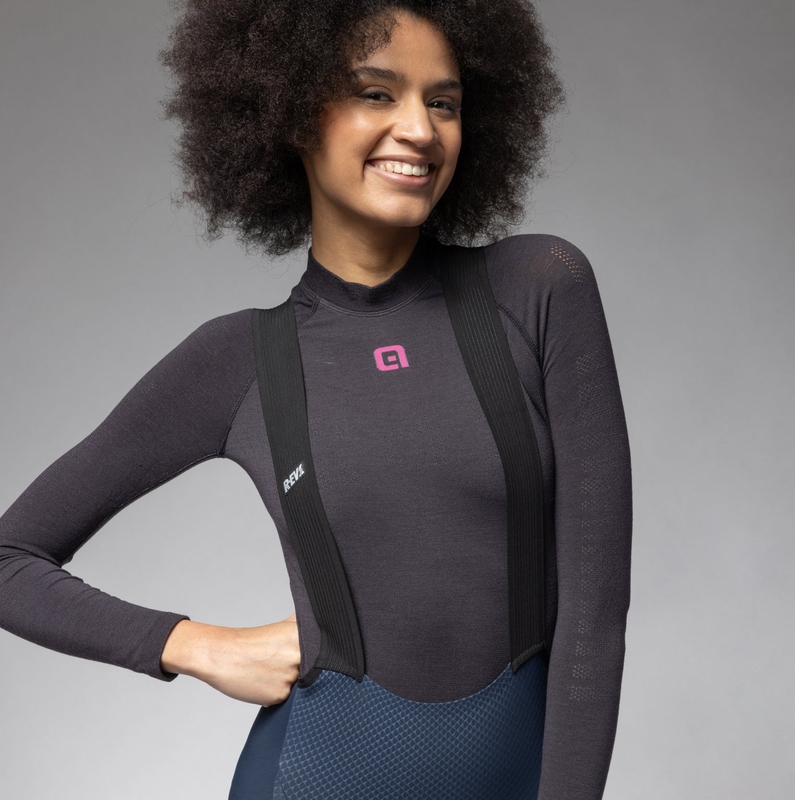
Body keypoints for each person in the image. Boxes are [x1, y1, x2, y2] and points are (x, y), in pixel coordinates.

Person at [0, 1, 633, 798]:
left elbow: (595, 615)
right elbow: (9, 560)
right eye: (376, 93)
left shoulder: (538, 290)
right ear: (292, 110)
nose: (420, 130)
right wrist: (195, 644)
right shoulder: (241, 361)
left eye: (443, 102)